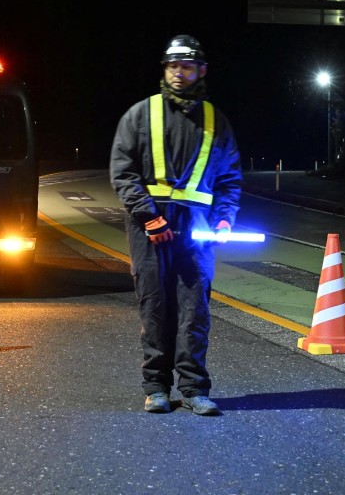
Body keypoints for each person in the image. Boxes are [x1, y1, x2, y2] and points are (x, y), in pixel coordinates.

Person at [109, 34, 242, 416]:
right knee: (155, 306)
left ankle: (194, 389)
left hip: (197, 228)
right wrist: (150, 217)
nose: (179, 73)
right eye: (173, 66)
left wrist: (223, 219)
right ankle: (156, 388)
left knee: (194, 309)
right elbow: (123, 171)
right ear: (165, 70)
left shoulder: (217, 121)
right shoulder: (140, 114)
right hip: (149, 226)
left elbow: (229, 179)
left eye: (187, 66)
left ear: (201, 70)